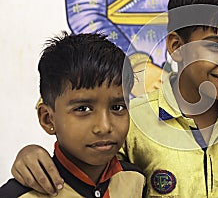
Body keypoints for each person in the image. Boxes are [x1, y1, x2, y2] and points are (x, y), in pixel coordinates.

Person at [9, 0, 218, 197]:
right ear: (176, 47)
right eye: (216, 45)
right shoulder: (133, 120)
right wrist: (29, 152)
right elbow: (85, 169)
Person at [0, 32, 146, 197]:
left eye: (117, 107)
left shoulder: (136, 181)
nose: (104, 126)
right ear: (48, 119)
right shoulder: (19, 195)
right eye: (83, 109)